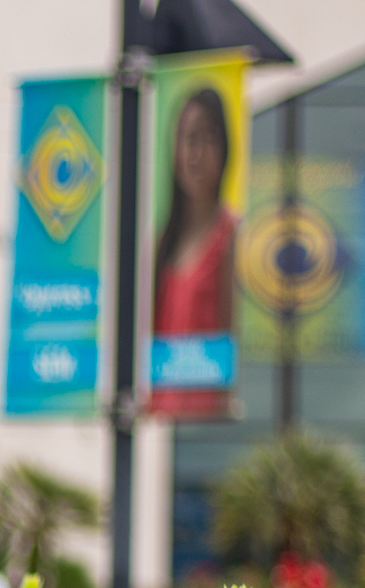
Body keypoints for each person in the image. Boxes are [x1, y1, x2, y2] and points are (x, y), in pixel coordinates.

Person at [151, 87, 237, 419]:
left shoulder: (230, 235)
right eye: (188, 139)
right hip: (160, 414)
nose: (196, 154)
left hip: (205, 414)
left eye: (208, 138)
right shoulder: (161, 241)